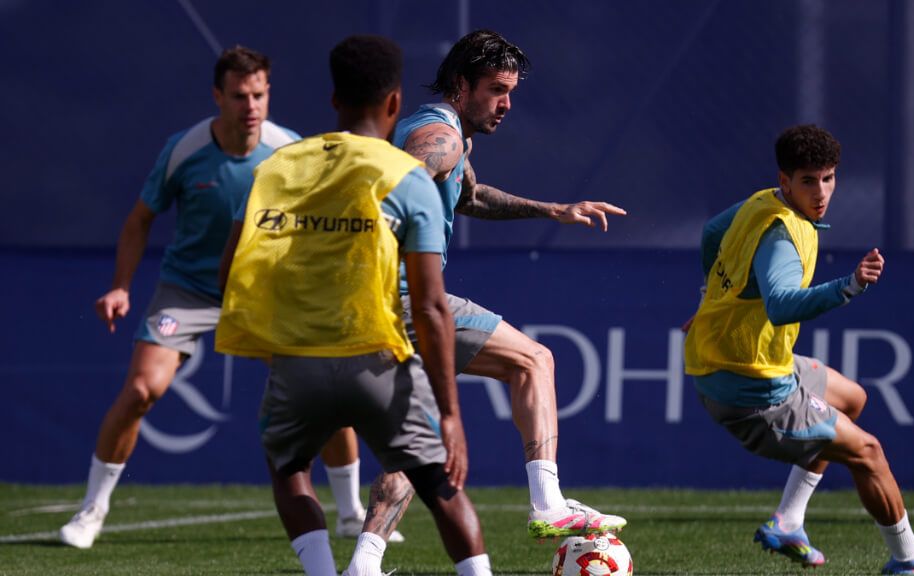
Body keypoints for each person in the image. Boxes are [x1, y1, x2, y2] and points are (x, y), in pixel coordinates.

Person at [340, 29, 628, 550]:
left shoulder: (450, 135)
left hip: (370, 305)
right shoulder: (440, 135)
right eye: (496, 89)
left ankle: (363, 561)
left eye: (511, 91)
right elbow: (397, 190)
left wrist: (553, 211)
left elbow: (470, 195)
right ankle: (549, 505)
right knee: (534, 361)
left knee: (416, 440)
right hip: (401, 299)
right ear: (460, 84)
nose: (506, 104)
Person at [215, 35, 492, 576]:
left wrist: (272, 346)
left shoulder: (275, 167)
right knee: (440, 486)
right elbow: (432, 308)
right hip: (377, 360)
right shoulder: (408, 178)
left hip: (298, 361)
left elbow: (230, 273)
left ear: (334, 99)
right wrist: (451, 414)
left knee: (290, 470)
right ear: (394, 103)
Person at [682, 124, 914, 575]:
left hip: (745, 359)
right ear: (785, 180)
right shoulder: (784, 235)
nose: (821, 192)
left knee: (852, 399)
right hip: (754, 391)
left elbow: (710, 232)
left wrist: (708, 302)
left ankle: (788, 521)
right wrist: (851, 285)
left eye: (829, 178)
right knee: (868, 453)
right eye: (808, 180)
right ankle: (910, 559)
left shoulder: (761, 201)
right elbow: (779, 306)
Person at [58, 46, 302, 549]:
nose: (250, 106)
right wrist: (121, 286)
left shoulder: (289, 151)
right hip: (187, 289)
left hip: (261, 292)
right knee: (142, 390)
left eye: (258, 94)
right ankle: (90, 512)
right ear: (218, 96)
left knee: (318, 390)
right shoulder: (184, 149)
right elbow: (139, 221)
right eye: (238, 96)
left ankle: (349, 511)